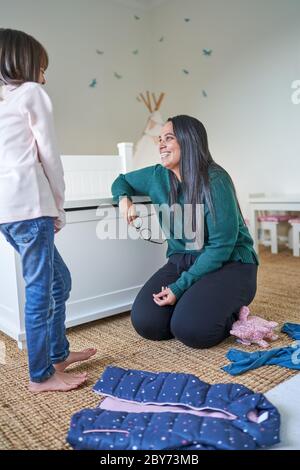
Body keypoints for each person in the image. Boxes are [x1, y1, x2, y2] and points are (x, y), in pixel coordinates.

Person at [0, 29, 96, 392]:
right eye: (42, 66)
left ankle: (58, 353)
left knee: (59, 282)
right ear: (24, 63)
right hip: (30, 208)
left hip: (9, 214)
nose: (45, 74)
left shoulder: (5, 102)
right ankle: (41, 375)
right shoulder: (32, 93)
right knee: (41, 290)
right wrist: (60, 205)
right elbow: (49, 155)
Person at [112, 115, 258, 349]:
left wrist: (179, 288)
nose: (160, 144)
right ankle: (195, 303)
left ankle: (232, 311)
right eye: (159, 139)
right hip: (182, 260)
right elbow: (121, 181)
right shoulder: (157, 175)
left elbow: (221, 247)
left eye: (168, 138)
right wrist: (123, 200)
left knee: (192, 331)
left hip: (230, 263)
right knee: (147, 323)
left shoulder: (215, 179)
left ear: (189, 141)